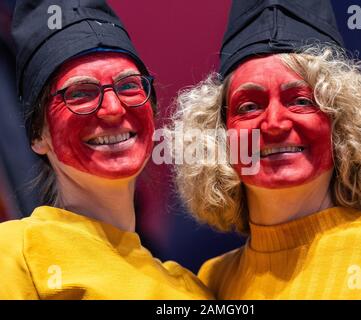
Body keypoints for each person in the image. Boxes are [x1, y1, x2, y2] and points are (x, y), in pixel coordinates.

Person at [168, 0, 361, 299]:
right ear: (219, 135)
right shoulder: (215, 279)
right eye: (249, 106)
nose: (274, 124)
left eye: (300, 101)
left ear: (341, 122)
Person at [0, 0, 212, 299]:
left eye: (129, 87)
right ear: (38, 135)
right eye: (81, 94)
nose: (113, 109)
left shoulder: (190, 289)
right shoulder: (12, 254)